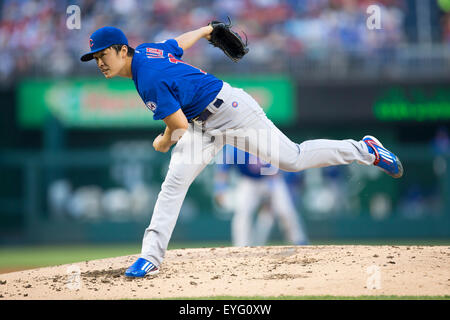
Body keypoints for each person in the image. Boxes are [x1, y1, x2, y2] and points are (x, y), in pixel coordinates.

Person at [80, 24, 403, 277]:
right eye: (95, 58)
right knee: (174, 185)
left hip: (232, 112)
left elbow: (177, 128)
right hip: (201, 125)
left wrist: (163, 141)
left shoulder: (146, 77)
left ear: (123, 50)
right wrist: (207, 30)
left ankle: (364, 149)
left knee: (293, 158)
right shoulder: (148, 52)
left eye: (103, 55)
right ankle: (150, 257)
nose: (99, 63)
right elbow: (177, 43)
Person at [214, 145, 309, 246]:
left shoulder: (265, 140)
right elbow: (222, 171)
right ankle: (241, 247)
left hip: (271, 179)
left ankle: (299, 243)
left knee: (285, 211)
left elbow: (279, 168)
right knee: (242, 213)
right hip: (248, 181)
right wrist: (220, 189)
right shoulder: (235, 147)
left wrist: (271, 195)